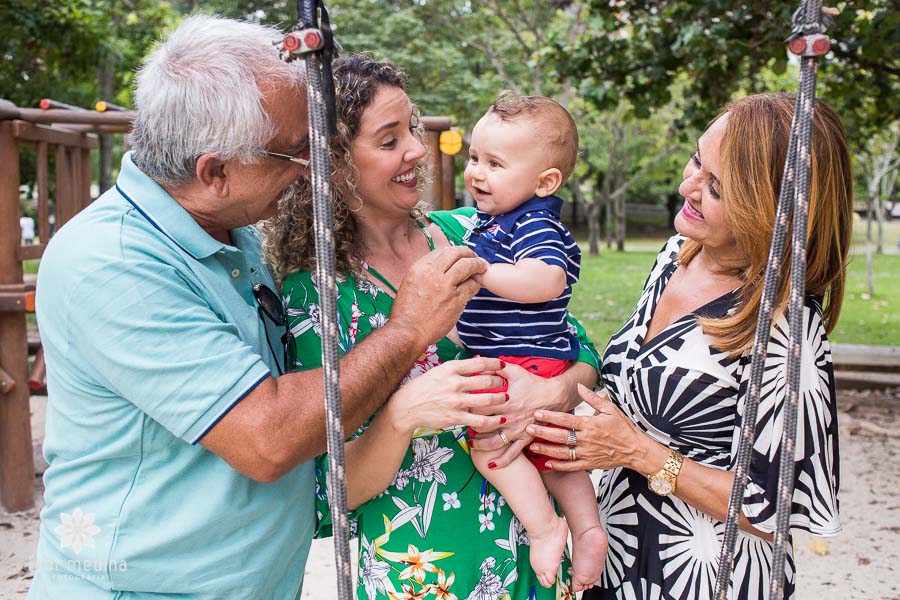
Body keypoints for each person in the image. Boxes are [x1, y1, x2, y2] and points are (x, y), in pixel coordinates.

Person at [30, 18, 490, 599]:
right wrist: (405, 332)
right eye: (295, 151)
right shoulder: (113, 265)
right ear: (215, 171)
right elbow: (267, 438)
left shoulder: (229, 232)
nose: (310, 169)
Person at [264, 54, 601, 599]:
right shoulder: (319, 298)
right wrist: (400, 417)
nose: (418, 150)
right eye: (390, 139)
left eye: (412, 132)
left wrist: (556, 386)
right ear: (334, 161)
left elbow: (578, 343)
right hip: (429, 571)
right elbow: (331, 488)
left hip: (539, 560)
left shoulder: (474, 231)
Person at [523, 92, 851, 599]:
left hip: (704, 575)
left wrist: (639, 452)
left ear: (768, 210)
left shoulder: (786, 324)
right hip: (614, 556)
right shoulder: (679, 252)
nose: (687, 185)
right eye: (698, 158)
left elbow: (783, 511)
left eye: (716, 187)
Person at [459, 93, 607, 590]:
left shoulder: (533, 222)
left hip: (523, 360)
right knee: (551, 455)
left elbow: (545, 280)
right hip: (536, 356)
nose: (476, 173)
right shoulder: (496, 221)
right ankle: (588, 530)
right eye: (474, 158)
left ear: (545, 182)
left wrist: (481, 271)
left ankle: (545, 528)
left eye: (495, 164)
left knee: (489, 447)